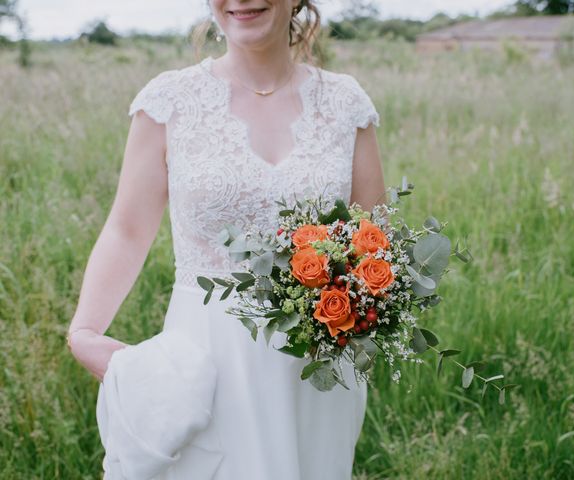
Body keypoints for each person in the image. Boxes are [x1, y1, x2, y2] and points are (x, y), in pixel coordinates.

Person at [66, 0, 385, 478]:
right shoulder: (170, 101)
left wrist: (358, 326)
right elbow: (126, 229)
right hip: (206, 359)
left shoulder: (345, 103)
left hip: (316, 365)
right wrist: (85, 332)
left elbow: (372, 237)